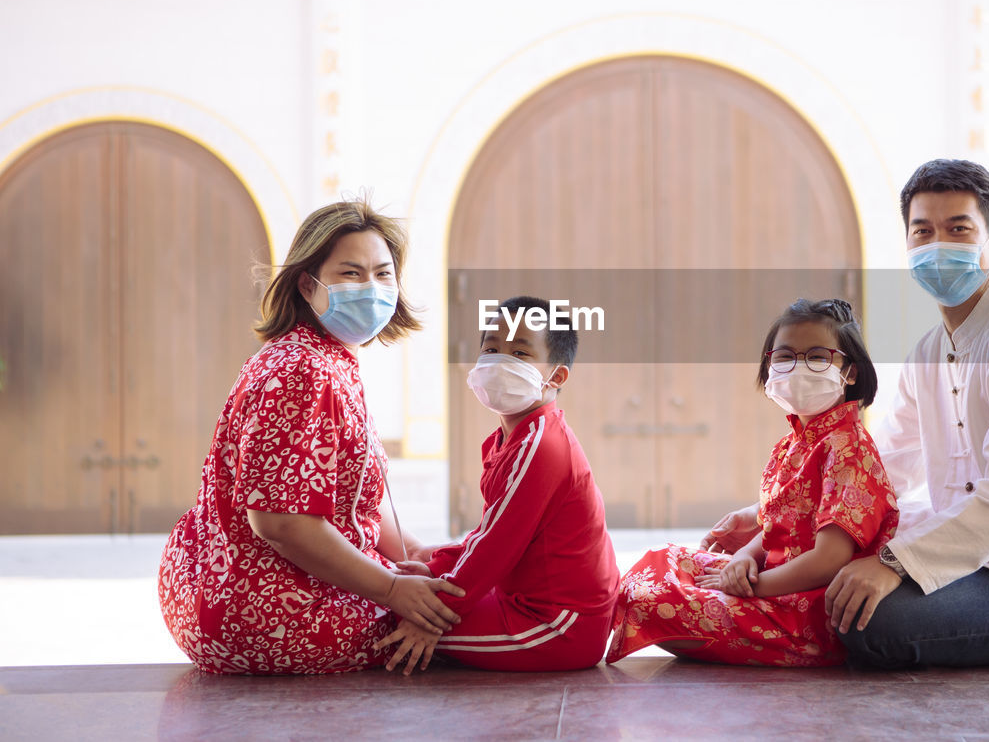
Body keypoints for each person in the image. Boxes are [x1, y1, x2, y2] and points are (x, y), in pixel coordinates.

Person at [704, 160, 989, 669]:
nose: (938, 245)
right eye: (924, 231)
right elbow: (887, 466)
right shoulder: (929, 351)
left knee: (868, 618)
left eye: (958, 229)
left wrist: (894, 565)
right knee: (830, 569)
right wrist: (770, 515)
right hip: (979, 563)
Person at [158, 198, 463, 675]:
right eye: (351, 273)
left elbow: (349, 496)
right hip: (270, 610)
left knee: (439, 594)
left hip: (229, 595)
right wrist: (390, 589)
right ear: (308, 283)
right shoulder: (304, 370)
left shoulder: (321, 357)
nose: (372, 288)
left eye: (383, 274)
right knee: (464, 624)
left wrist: (411, 555)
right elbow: (280, 523)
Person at [607, 299, 898, 667]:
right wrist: (744, 560)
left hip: (805, 612)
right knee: (657, 562)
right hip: (771, 582)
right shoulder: (794, 443)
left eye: (818, 357)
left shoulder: (848, 448)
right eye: (784, 357)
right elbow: (781, 528)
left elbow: (829, 559)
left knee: (652, 601)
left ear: (851, 372)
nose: (798, 368)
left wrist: (751, 586)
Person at [376, 295, 619, 673]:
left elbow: (495, 548)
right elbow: (490, 534)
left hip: (557, 627)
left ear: (555, 376)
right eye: (491, 348)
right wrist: (436, 566)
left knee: (383, 619)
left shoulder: (541, 446)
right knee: (407, 588)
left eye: (520, 354)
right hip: (522, 602)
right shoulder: (509, 438)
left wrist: (436, 614)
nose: (499, 361)